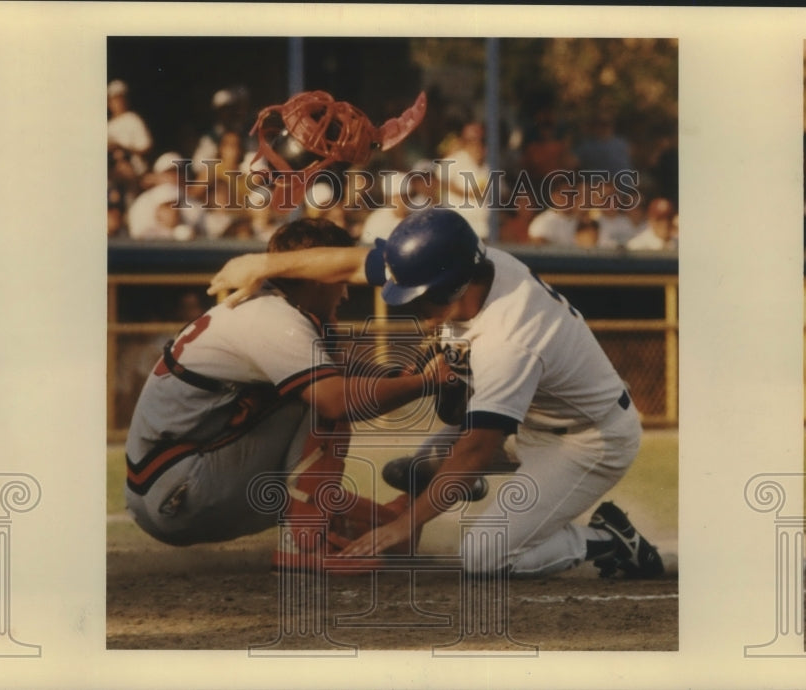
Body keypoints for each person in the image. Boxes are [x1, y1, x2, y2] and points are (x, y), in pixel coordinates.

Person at [209, 208, 665, 579]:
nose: (416, 310)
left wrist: (403, 525)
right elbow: (349, 262)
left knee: (484, 557)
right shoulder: (465, 263)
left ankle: (606, 542)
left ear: (455, 288)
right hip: (534, 420)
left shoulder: (510, 339)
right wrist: (262, 264)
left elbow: (474, 449)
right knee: (414, 471)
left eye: (422, 298)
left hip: (586, 442)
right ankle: (493, 499)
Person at [126, 218, 451, 547]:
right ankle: (303, 547)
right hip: (180, 488)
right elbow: (336, 400)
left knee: (386, 532)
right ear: (318, 275)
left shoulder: (271, 306)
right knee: (321, 400)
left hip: (170, 486)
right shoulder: (272, 316)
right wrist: (426, 383)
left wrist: (406, 377)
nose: (345, 292)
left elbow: (343, 372)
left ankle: (378, 521)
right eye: (339, 278)